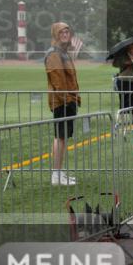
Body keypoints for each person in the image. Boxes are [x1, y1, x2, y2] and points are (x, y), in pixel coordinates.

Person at [45, 22, 81, 186]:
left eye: (67, 31)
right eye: (62, 32)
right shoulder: (54, 54)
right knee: (60, 137)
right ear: (55, 34)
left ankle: (59, 173)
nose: (66, 34)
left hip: (68, 100)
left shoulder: (63, 53)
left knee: (63, 137)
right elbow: (58, 81)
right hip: (62, 102)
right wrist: (67, 100)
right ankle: (56, 175)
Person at [112, 43, 133, 111]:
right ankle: (122, 116)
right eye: (131, 48)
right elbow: (115, 64)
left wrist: (132, 59)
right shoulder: (122, 55)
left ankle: (131, 116)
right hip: (123, 79)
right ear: (127, 48)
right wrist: (125, 63)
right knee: (123, 99)